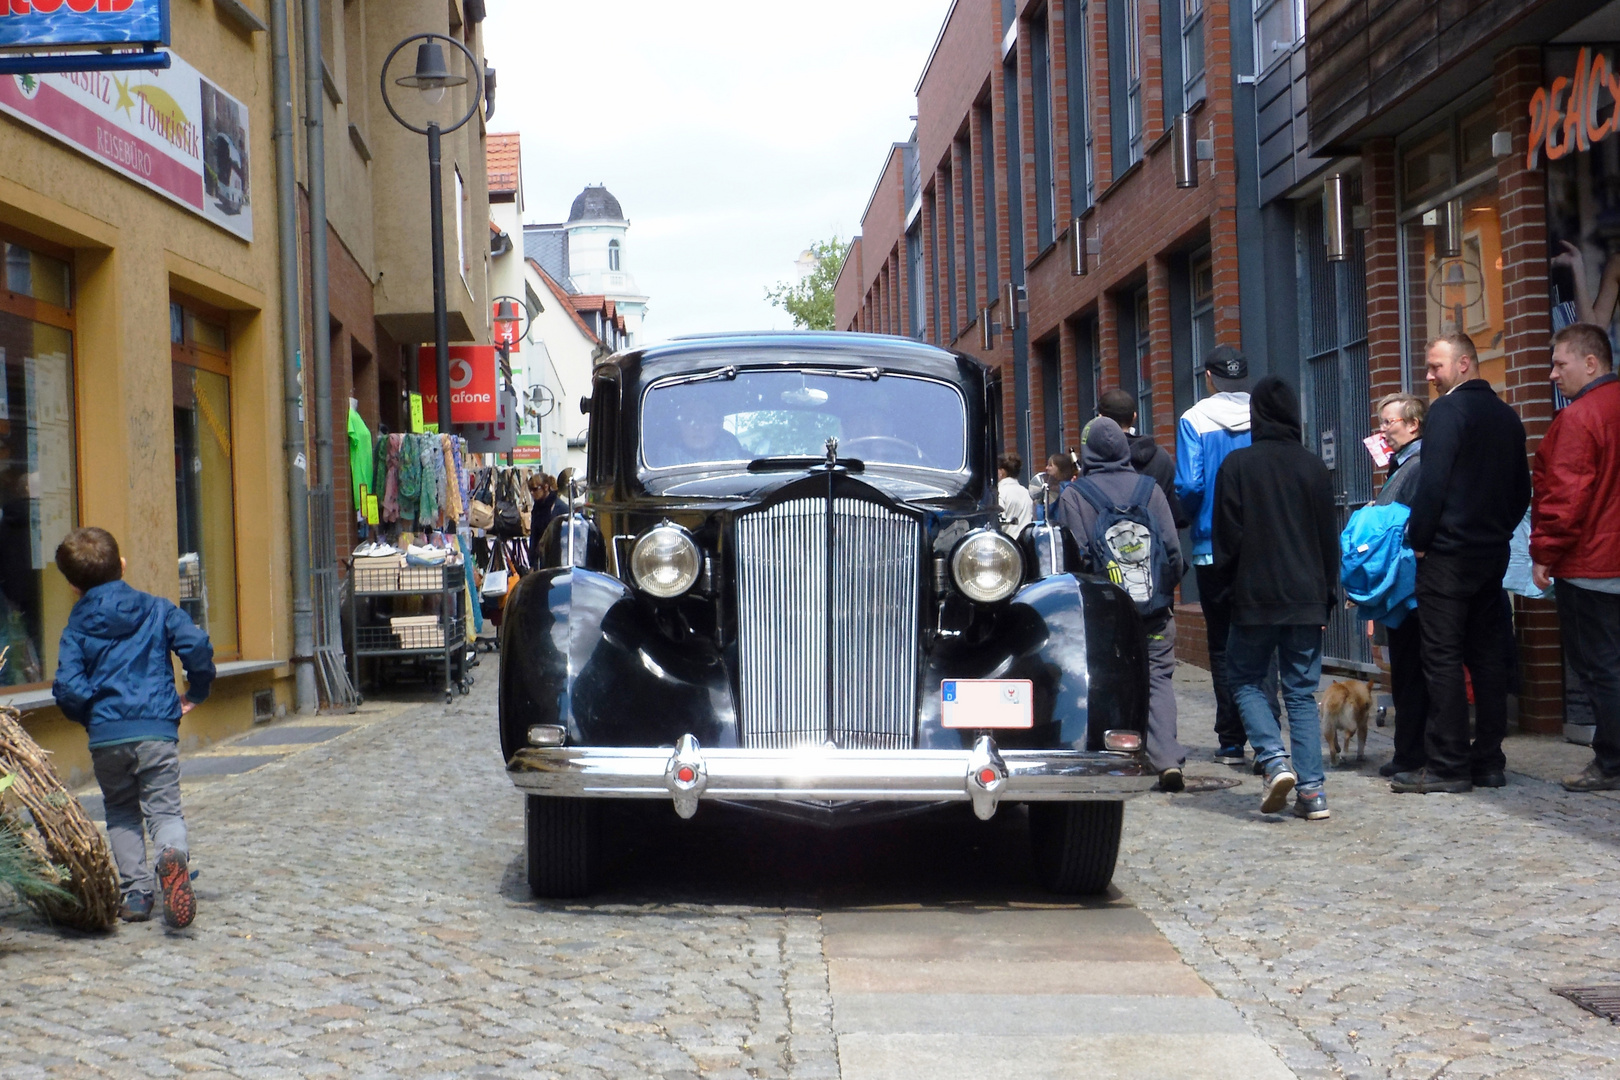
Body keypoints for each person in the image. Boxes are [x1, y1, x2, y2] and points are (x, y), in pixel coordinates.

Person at [51, 527, 215, 927]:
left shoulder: (75, 628)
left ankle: (137, 896)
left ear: (73, 586)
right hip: (156, 730)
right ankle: (170, 855)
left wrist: (93, 717)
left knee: (122, 812)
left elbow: (68, 687)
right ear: (122, 565)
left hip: (108, 737)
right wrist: (198, 688)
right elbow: (195, 645)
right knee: (164, 810)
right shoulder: (158, 609)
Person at [1394, 332, 1531, 794]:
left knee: (1443, 658)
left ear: (1465, 365)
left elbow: (1433, 483)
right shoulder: (1508, 417)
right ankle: (1488, 760)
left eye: (1436, 367)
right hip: (1490, 554)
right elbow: (1521, 492)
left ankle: (1449, 764)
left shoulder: (1449, 412)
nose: (1429, 376)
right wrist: (1497, 531)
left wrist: (1420, 538)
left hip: (1448, 555)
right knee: (1488, 657)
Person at [1211, 376, 1340, 820]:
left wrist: (1226, 590)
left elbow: (1227, 538)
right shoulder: (1313, 468)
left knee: (1245, 679)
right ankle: (1312, 792)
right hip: (1305, 596)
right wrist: (1327, 595)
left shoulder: (1238, 466)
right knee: (1302, 694)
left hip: (1253, 596)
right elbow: (1329, 538)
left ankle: (1272, 758)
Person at [1057, 417, 1187, 791]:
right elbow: (1174, 553)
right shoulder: (1150, 489)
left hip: (1105, 616)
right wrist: (1160, 593)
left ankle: (1110, 753)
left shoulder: (1075, 495)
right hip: (1154, 611)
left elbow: (1075, 560)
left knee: (1103, 680)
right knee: (1159, 678)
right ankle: (1167, 759)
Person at [1529, 323, 1620, 792]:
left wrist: (1543, 554)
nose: (1551, 373)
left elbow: (1564, 497)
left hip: (1593, 566)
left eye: (1560, 363)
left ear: (1591, 362)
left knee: (1600, 667)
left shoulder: (1580, 418)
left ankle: (1611, 762)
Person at [1176, 345, 1260, 765]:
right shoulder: (1264, 415)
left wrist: (1195, 516)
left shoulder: (1194, 419)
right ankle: (1266, 733)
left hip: (1212, 545)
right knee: (1262, 639)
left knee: (1222, 644)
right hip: (1262, 544)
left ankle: (1230, 739)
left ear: (1209, 377)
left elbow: (1190, 485)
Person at [1372, 392, 1429, 779]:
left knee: (1411, 670)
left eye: (1389, 422)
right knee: (1406, 668)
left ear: (1413, 424)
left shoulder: (1416, 465)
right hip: (1403, 583)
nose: (1383, 430)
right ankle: (1408, 750)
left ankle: (1412, 753)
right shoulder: (1402, 463)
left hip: (1410, 584)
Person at [1098, 388, 1188, 528]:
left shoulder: (1095, 459)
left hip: (1107, 544)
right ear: (1134, 417)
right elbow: (1175, 514)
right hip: (1154, 543)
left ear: (1100, 419)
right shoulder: (1161, 456)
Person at [996, 452, 1034, 536]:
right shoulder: (1026, 492)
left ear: (1001, 472)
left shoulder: (999, 492)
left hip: (1007, 543)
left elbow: (998, 523)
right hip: (1024, 543)